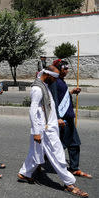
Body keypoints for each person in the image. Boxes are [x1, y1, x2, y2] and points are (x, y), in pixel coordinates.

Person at [18, 66, 88, 197]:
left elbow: (48, 107)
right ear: (48, 75)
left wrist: (56, 120)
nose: (56, 81)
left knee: (35, 152)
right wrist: (36, 132)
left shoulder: (44, 85)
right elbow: (33, 111)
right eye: (55, 78)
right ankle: (69, 184)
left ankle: (24, 173)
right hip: (44, 129)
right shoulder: (38, 89)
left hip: (49, 126)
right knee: (58, 155)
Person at [49, 59, 92, 179]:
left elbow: (63, 96)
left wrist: (71, 92)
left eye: (67, 68)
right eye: (65, 68)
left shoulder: (61, 81)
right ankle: (37, 162)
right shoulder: (54, 82)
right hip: (63, 120)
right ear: (59, 69)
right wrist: (57, 118)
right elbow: (54, 100)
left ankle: (74, 168)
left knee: (74, 143)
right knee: (59, 145)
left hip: (69, 117)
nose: (67, 70)